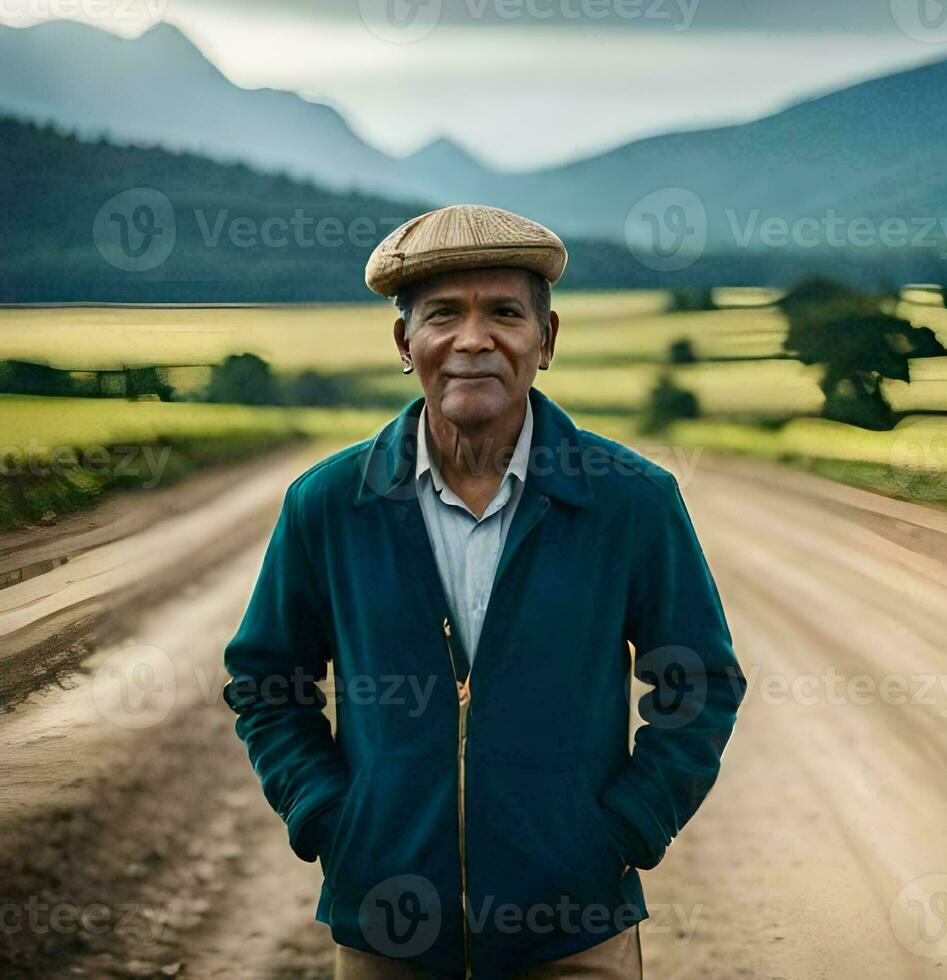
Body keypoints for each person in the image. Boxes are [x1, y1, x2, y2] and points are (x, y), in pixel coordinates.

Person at [222, 204, 746, 978]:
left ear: (547, 338)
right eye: (443, 315)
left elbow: (699, 680)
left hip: (575, 929)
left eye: (504, 312)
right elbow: (267, 681)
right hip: (387, 927)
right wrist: (331, 818)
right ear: (406, 342)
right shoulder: (329, 504)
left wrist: (626, 830)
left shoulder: (631, 499)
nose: (474, 340)